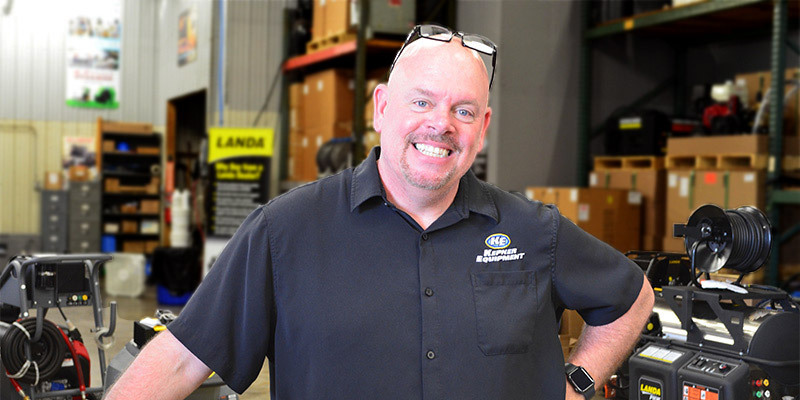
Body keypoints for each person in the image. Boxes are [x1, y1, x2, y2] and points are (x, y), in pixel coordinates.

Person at [105, 25, 653, 400]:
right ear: (382, 108)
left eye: (464, 110)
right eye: (422, 101)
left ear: (482, 128)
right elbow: (180, 360)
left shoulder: (533, 231)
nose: (442, 124)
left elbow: (633, 296)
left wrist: (577, 384)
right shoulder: (285, 231)